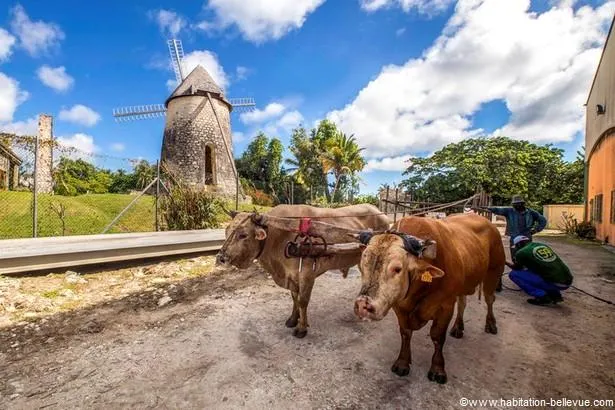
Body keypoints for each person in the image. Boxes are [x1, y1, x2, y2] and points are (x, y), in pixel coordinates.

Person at [479, 195, 547, 291]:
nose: (516, 206)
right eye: (515, 205)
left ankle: (528, 277)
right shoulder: (510, 211)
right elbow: (497, 210)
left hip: (526, 237)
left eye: (518, 204)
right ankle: (519, 275)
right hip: (514, 238)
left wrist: (535, 230)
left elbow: (543, 220)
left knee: (528, 257)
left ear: (523, 204)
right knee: (516, 257)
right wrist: (486, 208)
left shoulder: (531, 213)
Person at [506, 235, 573, 306]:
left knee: (514, 274)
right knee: (546, 270)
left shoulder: (521, 252)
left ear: (519, 244)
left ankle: (542, 296)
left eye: (516, 247)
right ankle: (555, 295)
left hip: (556, 283)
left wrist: (505, 262)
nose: (516, 249)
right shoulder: (542, 245)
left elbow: (517, 268)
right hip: (567, 280)